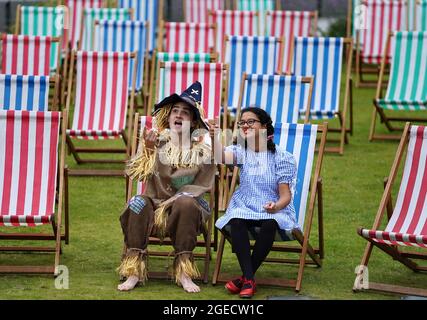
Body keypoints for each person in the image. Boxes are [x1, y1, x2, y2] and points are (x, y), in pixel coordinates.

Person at [117, 81, 215, 293]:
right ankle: (134, 269)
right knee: (136, 203)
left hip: (190, 206)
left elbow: (202, 185)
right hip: (154, 204)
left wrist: (176, 200)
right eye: (175, 111)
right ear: (168, 118)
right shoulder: (155, 141)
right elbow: (134, 174)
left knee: (186, 202)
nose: (178, 115)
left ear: (194, 121)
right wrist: (148, 151)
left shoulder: (203, 150)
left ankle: (184, 271)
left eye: (185, 112)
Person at [208, 107, 299, 299]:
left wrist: (276, 206)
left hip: (273, 208)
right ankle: (249, 278)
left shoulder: (282, 157)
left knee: (269, 224)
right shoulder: (241, 151)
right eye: (242, 123)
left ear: (264, 127)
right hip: (245, 205)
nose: (245, 126)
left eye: (251, 122)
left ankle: (245, 279)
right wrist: (215, 136)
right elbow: (219, 157)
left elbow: (285, 195)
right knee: (237, 222)